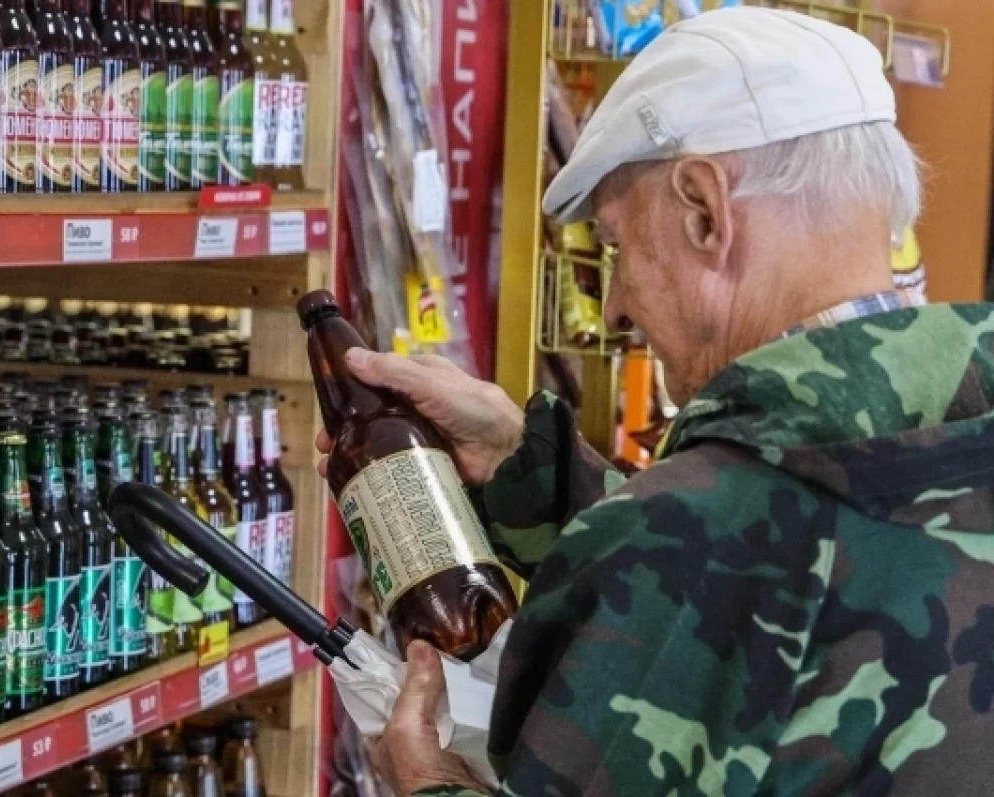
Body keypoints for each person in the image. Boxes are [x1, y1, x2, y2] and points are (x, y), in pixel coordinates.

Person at [320, 7, 994, 797]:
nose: (613, 308)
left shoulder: (697, 536)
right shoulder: (953, 433)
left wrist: (429, 780)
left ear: (705, 210)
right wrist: (522, 461)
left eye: (617, 247)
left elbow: (734, 558)